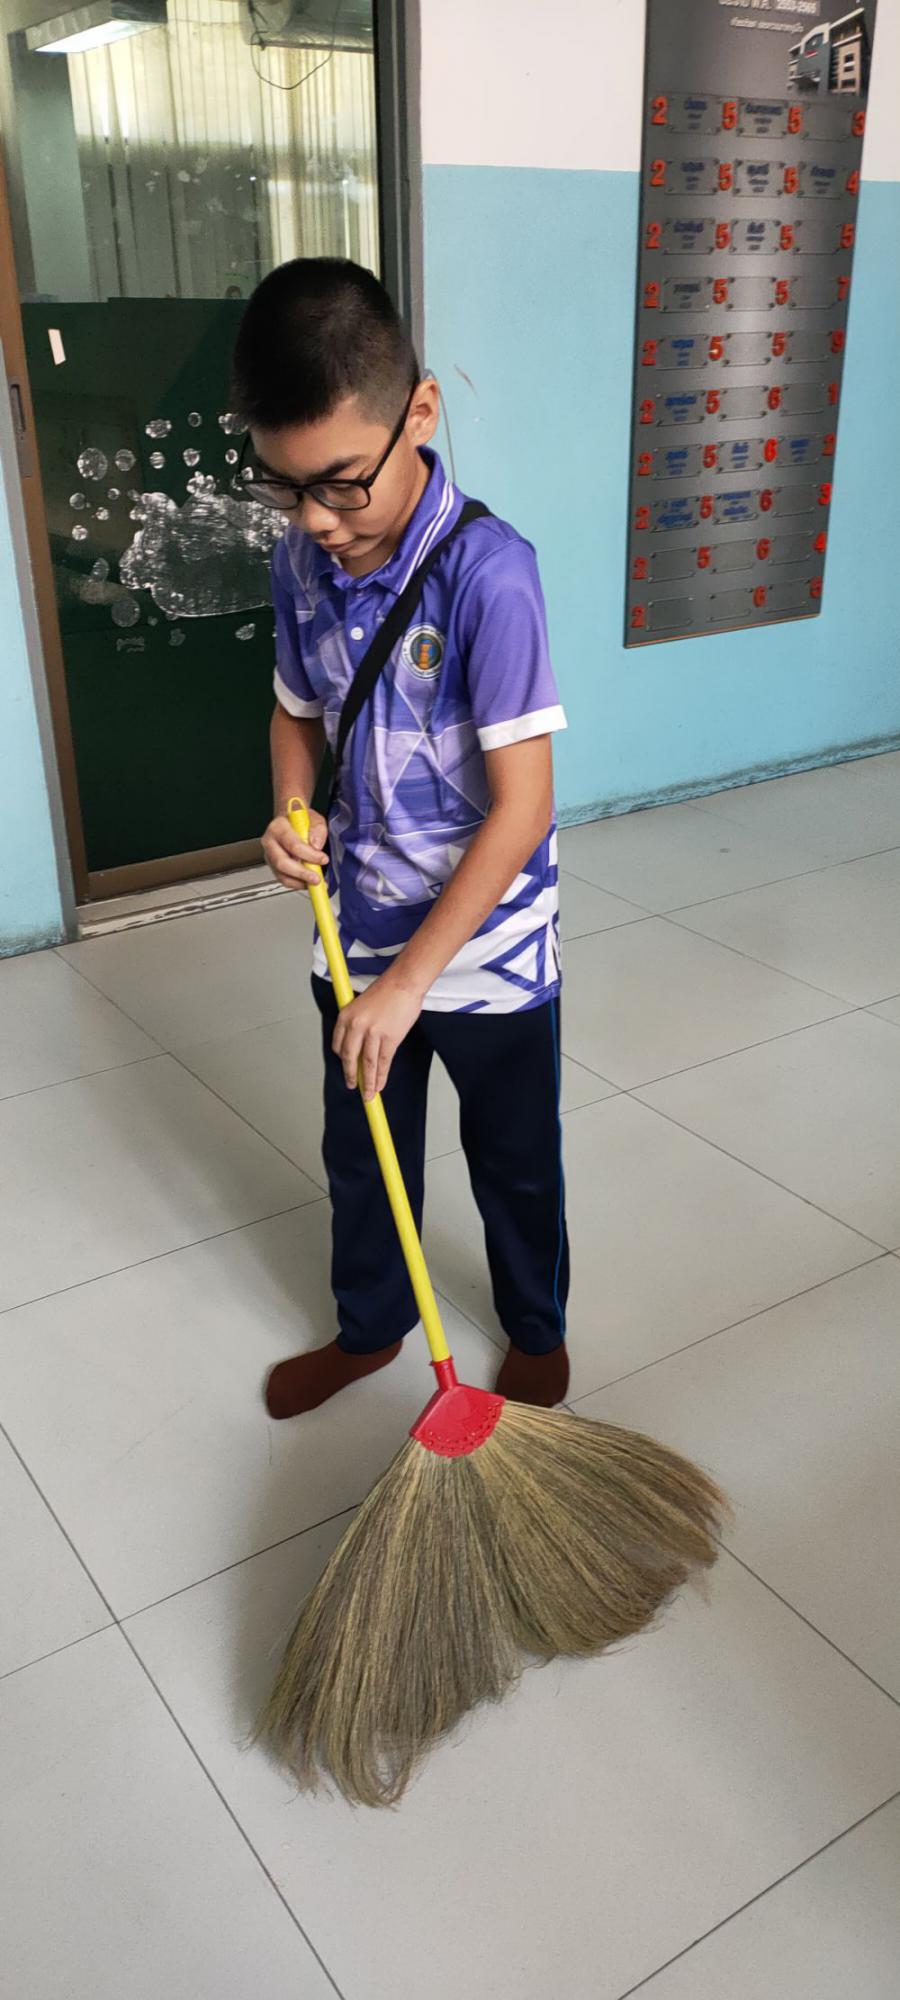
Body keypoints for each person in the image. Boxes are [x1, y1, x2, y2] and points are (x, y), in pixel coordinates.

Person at [231, 258, 570, 1417]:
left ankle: (536, 1327)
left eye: (340, 485)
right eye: (286, 489)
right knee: (364, 1149)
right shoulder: (300, 561)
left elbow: (523, 806)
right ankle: (371, 1326)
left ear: (419, 412)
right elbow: (294, 711)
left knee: (513, 1155)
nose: (316, 521)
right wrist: (293, 810)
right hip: (358, 933)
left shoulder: (490, 576)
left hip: (486, 953)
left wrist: (412, 984)